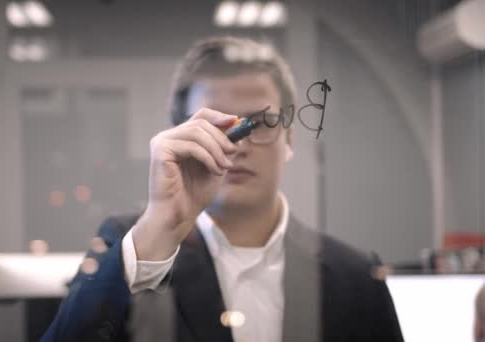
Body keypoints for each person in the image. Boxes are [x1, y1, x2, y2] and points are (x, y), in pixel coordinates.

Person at [42, 36, 404, 342]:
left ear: (289, 138)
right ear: (179, 137)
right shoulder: (133, 246)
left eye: (260, 123)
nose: (237, 145)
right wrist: (161, 224)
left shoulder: (354, 276)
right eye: (215, 126)